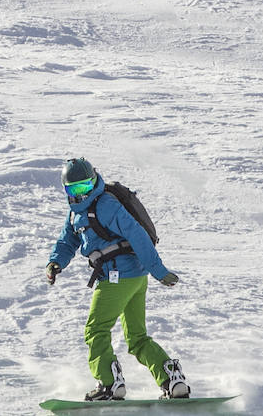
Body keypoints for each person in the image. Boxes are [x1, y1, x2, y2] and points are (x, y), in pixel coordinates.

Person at [46, 158, 191, 402]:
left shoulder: (105, 205)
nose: (81, 194)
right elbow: (67, 241)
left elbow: (136, 234)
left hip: (118, 278)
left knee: (95, 330)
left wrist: (158, 270)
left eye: (85, 187)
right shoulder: (75, 214)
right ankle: (171, 378)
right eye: (74, 189)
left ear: (94, 182)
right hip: (134, 278)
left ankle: (109, 383)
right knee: (137, 337)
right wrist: (55, 262)